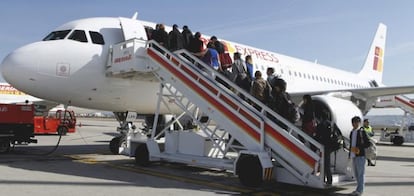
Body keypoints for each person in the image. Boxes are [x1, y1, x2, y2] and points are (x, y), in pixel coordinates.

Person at [349, 116, 371, 196]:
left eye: (357, 122)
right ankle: (358, 189)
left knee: (361, 174)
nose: (355, 124)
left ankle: (360, 190)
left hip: (360, 155)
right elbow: (351, 144)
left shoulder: (362, 131)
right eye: (354, 122)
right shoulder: (352, 132)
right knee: (356, 174)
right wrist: (350, 155)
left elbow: (368, 143)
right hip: (354, 155)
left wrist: (360, 148)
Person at [315, 111, 333, 185]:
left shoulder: (321, 125)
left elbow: (317, 135)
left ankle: (323, 179)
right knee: (327, 164)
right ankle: (329, 180)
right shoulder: (330, 124)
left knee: (322, 163)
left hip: (322, 145)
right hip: (329, 146)